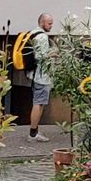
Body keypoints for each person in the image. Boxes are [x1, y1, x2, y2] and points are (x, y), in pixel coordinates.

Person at [27, 13, 55, 142]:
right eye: (49, 23)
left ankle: (35, 131)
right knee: (38, 103)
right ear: (42, 23)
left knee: (38, 102)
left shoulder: (33, 33)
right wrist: (52, 55)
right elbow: (40, 56)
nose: (51, 26)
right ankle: (33, 134)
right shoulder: (42, 37)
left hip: (34, 74)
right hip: (41, 76)